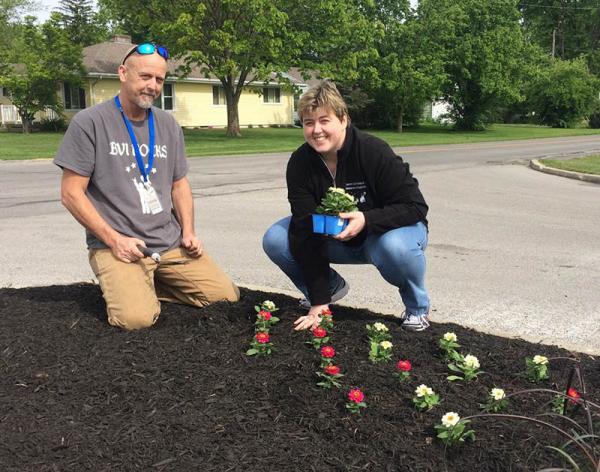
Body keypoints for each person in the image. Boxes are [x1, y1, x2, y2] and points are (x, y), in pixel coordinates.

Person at [54, 42, 239, 330]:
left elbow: (179, 185)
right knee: (136, 319)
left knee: (225, 297)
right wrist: (115, 240)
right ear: (123, 73)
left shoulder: (168, 125)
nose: (153, 86)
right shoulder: (90, 122)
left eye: (159, 79)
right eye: (145, 77)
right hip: (118, 245)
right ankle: (130, 286)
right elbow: (70, 193)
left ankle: (146, 284)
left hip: (169, 243)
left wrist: (188, 232)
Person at [262, 81, 430, 331]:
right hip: (334, 234)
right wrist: (319, 301)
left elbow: (415, 206)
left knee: (395, 247)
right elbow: (305, 224)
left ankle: (417, 308)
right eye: (309, 123)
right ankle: (328, 288)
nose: (316, 130)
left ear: (343, 119)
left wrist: (366, 219)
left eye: (324, 120)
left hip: (383, 233)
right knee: (276, 238)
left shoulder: (373, 151)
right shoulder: (300, 163)